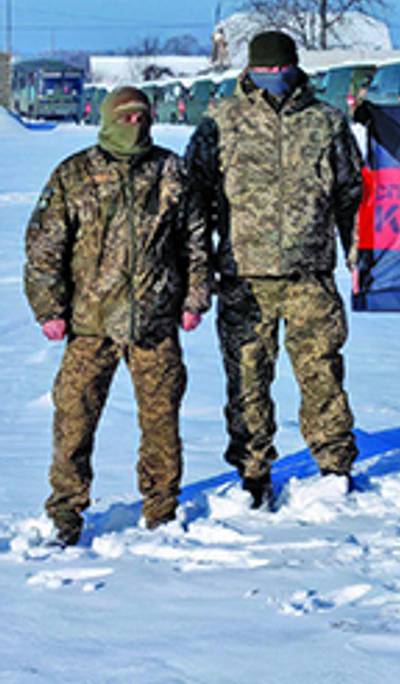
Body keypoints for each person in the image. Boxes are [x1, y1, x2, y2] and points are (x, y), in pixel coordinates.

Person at [25, 88, 211, 545]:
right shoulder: (75, 173)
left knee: (161, 419)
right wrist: (49, 309)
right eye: (125, 118)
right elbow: (45, 248)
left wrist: (193, 299)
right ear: (107, 120)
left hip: (155, 321)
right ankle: (66, 512)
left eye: (142, 118)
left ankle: (161, 508)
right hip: (90, 324)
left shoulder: (171, 171)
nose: (135, 126)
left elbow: (196, 241)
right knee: (74, 419)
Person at [188, 30, 362, 508]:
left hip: (310, 277)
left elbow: (352, 196)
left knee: (322, 374)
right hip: (243, 276)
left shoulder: (325, 122)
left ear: (294, 66)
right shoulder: (221, 121)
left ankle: (333, 465)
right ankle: (253, 471)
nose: (272, 79)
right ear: (249, 70)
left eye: (279, 70)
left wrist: (356, 254)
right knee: (246, 379)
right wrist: (199, 271)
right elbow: (195, 202)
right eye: (263, 71)